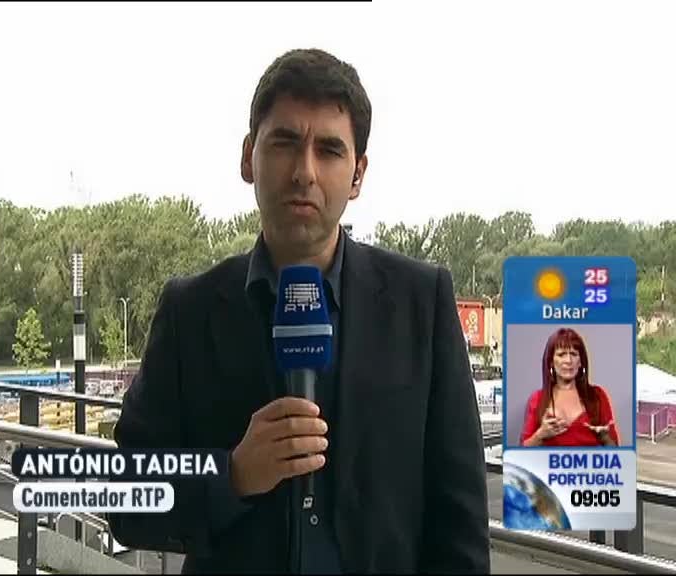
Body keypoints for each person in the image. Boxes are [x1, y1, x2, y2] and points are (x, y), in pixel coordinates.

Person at [108, 48, 490, 574]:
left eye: (329, 150)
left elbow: (460, 525)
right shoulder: (189, 312)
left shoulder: (422, 302)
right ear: (249, 157)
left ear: (357, 175)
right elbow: (127, 497)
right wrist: (231, 476)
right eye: (285, 142)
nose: (304, 172)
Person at [520, 327, 620, 447]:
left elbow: (615, 449)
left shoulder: (597, 396)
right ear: (551, 362)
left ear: (580, 362)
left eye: (573, 354)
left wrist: (605, 437)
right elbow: (522, 450)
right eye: (561, 354)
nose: (568, 360)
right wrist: (540, 435)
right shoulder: (538, 399)